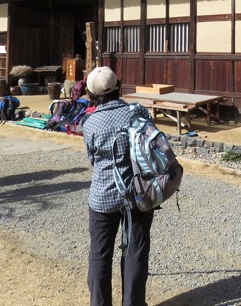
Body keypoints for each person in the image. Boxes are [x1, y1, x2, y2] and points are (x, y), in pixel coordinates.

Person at [82, 66, 153, 306]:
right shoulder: (138, 111)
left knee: (100, 255)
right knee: (135, 251)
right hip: (138, 194)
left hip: (102, 197)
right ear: (118, 86)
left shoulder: (90, 122)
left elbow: (93, 159)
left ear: (92, 95)